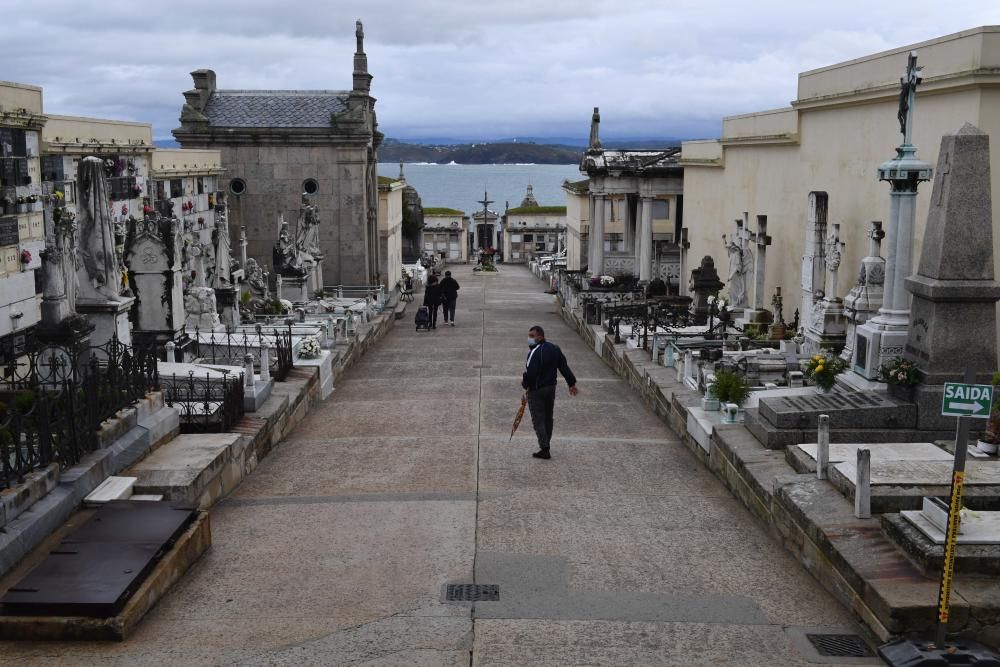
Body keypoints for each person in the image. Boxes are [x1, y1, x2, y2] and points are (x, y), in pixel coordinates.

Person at [521, 325, 578, 459]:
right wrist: (571, 383)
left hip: (536, 391)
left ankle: (544, 448)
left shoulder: (533, 352)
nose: (529, 339)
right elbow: (563, 366)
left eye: (532, 336)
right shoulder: (554, 349)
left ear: (540, 336)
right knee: (548, 417)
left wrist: (525, 384)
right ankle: (547, 444)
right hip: (550, 389)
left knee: (538, 419)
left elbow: (530, 373)